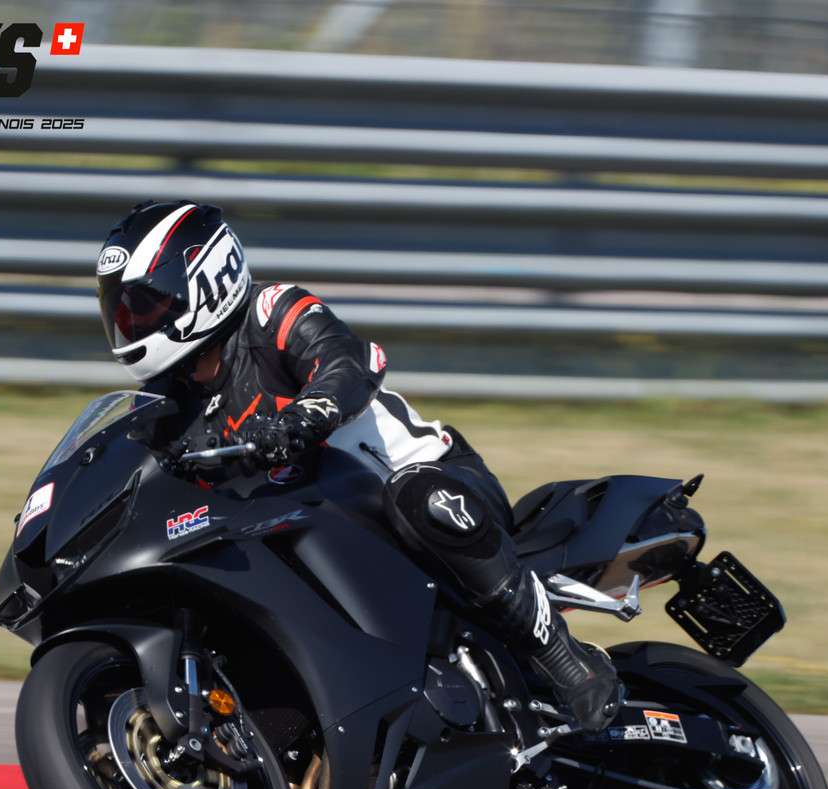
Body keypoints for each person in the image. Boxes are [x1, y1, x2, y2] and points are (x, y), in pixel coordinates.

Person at [95, 200, 621, 732]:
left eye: (145, 305)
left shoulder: (271, 311)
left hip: (432, 485)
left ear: (206, 281)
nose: (131, 324)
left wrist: (301, 418)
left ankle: (566, 660)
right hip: (318, 537)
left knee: (417, 497)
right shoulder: (164, 407)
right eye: (121, 311)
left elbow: (347, 363)